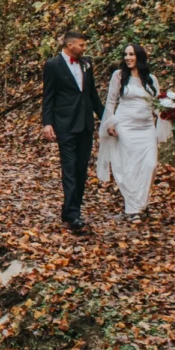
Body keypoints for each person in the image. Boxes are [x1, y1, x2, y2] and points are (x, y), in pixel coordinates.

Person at [41, 26, 100, 233]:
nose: (84, 48)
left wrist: (108, 119)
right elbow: (48, 96)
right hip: (65, 125)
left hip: (85, 123)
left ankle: (72, 210)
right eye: (81, 45)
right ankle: (73, 215)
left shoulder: (87, 64)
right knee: (69, 168)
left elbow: (92, 94)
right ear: (70, 45)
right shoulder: (53, 65)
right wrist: (47, 123)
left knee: (81, 169)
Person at [96, 43, 163, 222]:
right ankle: (134, 209)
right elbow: (111, 101)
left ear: (139, 57)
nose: (127, 57)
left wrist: (171, 112)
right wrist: (109, 124)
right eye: (125, 54)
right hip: (125, 126)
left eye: (131, 54)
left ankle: (141, 203)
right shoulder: (118, 76)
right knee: (129, 167)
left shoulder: (151, 79)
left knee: (150, 165)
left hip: (147, 128)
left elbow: (157, 105)